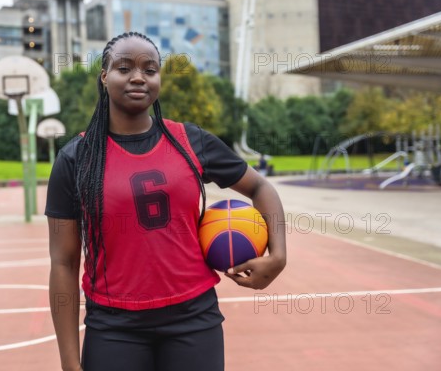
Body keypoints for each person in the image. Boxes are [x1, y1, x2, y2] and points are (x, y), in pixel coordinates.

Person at [45, 31, 286, 371]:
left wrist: (278, 255)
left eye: (150, 69)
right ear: (104, 76)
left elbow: (261, 187)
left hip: (193, 318)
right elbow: (63, 263)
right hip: (114, 326)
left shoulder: (190, 140)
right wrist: (70, 363)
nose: (138, 77)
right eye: (124, 67)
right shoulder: (76, 159)